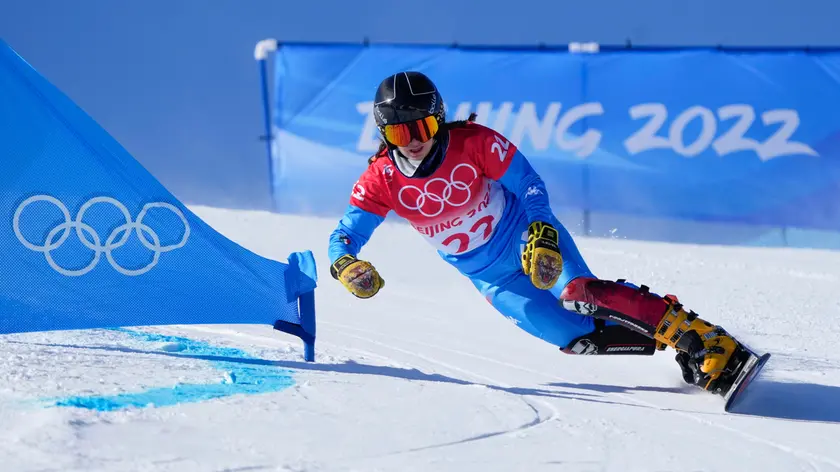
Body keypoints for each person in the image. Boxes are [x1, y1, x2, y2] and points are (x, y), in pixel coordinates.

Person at [327, 71, 745, 395]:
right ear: (385, 134)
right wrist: (344, 264)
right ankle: (674, 342)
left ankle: (704, 339)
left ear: (439, 119)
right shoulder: (380, 179)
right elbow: (344, 236)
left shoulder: (472, 142)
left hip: (525, 237)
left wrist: (541, 228)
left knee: (580, 293)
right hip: (489, 276)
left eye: (423, 128)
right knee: (575, 337)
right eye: (401, 133)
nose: (414, 141)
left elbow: (528, 183)